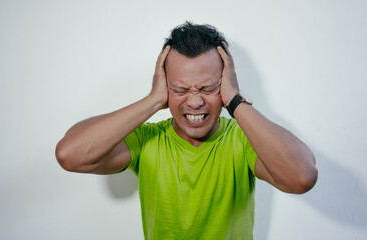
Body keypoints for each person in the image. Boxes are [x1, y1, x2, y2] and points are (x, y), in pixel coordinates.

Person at [55, 22, 318, 240]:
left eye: (207, 88)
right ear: (164, 85)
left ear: (225, 84)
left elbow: (302, 177)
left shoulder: (243, 138)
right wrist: (153, 100)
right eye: (180, 90)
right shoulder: (147, 139)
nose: (194, 102)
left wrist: (235, 100)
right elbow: (70, 155)